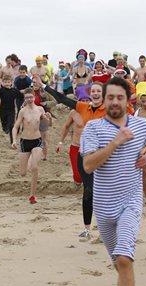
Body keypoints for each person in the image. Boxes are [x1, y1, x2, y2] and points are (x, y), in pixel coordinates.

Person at [80, 77, 146, 286]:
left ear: (128, 100)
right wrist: (115, 142)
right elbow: (88, 165)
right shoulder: (93, 128)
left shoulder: (141, 125)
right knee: (120, 264)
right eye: (111, 97)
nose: (115, 102)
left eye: (120, 97)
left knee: (124, 259)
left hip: (130, 203)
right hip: (104, 207)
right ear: (104, 100)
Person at [52, 82, 106, 239]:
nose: (95, 93)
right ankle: (87, 229)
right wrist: (44, 86)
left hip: (101, 156)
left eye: (99, 91)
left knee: (102, 193)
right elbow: (62, 100)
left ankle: (105, 229)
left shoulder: (108, 111)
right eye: (93, 91)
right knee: (88, 190)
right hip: (82, 152)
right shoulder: (80, 110)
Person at [11, 88, 51, 204]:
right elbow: (15, 127)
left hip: (37, 140)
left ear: (34, 97)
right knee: (23, 173)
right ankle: (29, 160)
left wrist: (47, 117)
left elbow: (47, 124)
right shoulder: (23, 111)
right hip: (25, 141)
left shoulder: (40, 109)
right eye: (27, 97)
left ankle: (32, 196)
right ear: (25, 98)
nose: (29, 99)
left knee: (35, 167)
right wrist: (14, 140)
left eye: (31, 97)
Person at [0, 75, 19, 143]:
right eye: (5, 82)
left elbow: (21, 97)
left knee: (11, 126)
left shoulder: (14, 90)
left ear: (11, 83)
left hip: (11, 111)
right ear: (2, 83)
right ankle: (5, 128)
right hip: (3, 111)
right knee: (4, 125)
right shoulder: (1, 90)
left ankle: (12, 141)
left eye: (8, 82)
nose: (7, 84)